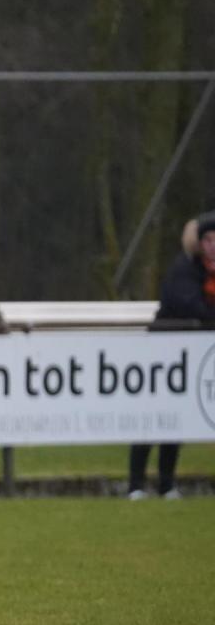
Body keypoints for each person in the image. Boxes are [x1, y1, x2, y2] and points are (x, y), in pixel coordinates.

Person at [128, 212, 215, 499]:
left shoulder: (207, 274)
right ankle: (136, 485)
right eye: (208, 240)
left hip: (189, 357)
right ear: (198, 243)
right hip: (162, 355)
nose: (213, 246)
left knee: (175, 420)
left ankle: (166, 484)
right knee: (150, 417)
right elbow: (191, 306)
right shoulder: (184, 270)